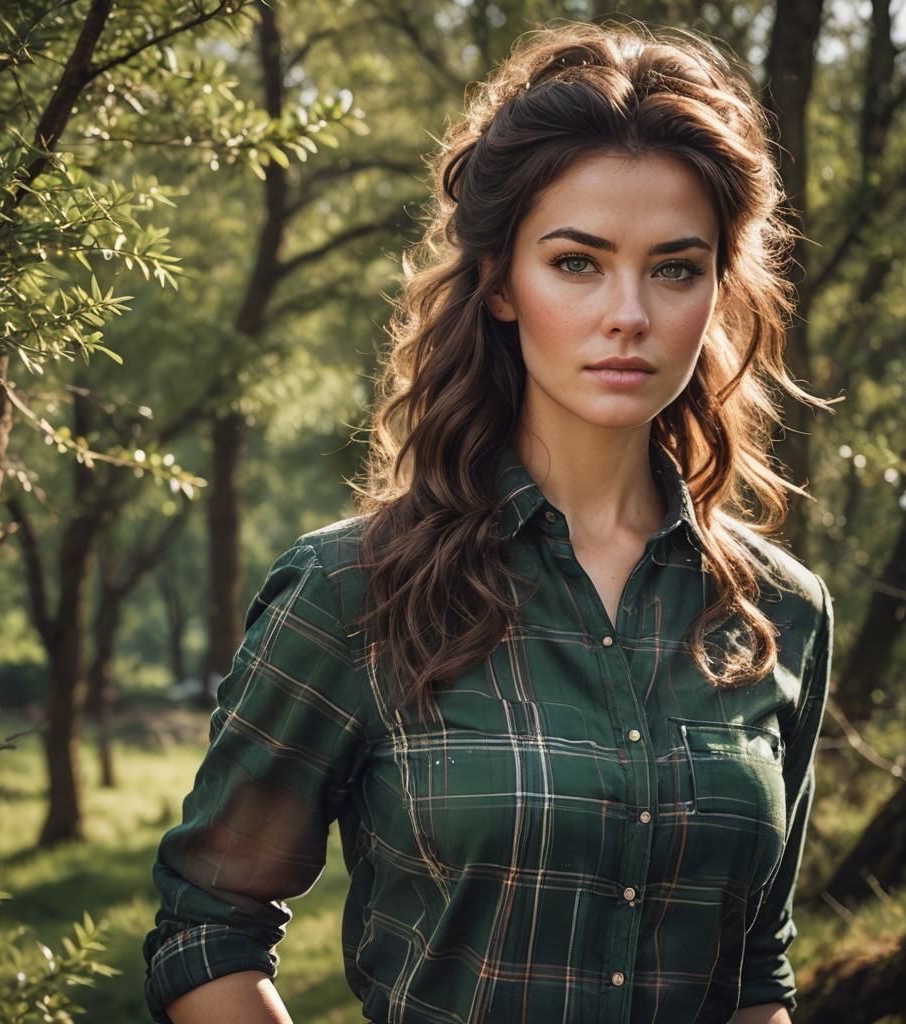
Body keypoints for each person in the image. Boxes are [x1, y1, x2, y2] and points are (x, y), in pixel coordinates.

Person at [143, 18, 836, 1024]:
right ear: (502, 283)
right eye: (577, 262)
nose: (628, 314)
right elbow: (208, 928)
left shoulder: (780, 612)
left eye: (675, 268)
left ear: (719, 290)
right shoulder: (353, 591)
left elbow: (753, 975)